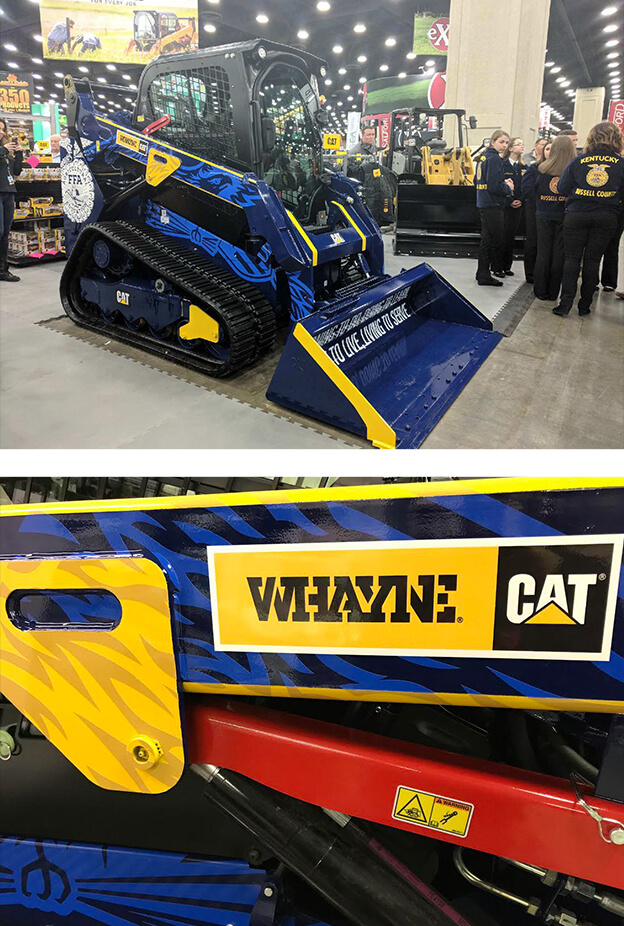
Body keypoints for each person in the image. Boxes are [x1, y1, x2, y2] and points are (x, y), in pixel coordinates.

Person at [554, 121, 624, 317]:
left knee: (572, 259)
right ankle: (584, 306)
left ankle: (565, 303)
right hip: (606, 216)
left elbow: (562, 188)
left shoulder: (578, 161)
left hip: (577, 214)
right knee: (593, 261)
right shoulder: (621, 164)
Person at [523, 135, 576, 301]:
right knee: (559, 253)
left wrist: (539, 203)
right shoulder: (573, 169)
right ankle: (553, 292)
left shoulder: (540, 169)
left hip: (543, 214)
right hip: (564, 215)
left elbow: (528, 190)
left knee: (543, 252)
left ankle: (540, 290)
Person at [475, 130, 515, 286]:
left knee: (486, 240)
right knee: (494, 240)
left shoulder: (482, 158)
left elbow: (476, 181)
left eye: (506, 142)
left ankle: (482, 272)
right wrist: (508, 188)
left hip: (484, 202)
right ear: (492, 142)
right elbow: (494, 186)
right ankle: (485, 274)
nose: (504, 145)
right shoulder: (494, 159)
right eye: (501, 142)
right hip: (493, 204)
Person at [522, 139, 552, 282]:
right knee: (533, 241)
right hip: (534, 209)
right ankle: (531, 274)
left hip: (552, 212)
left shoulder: (561, 169)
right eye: (547, 149)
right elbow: (526, 189)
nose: (549, 152)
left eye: (552, 149)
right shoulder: (534, 168)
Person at [0, 118, 23, 283]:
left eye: (2, 129)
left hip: (8, 191)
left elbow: (17, 171)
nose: (1, 132)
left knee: (5, 232)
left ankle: (3, 269)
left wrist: (19, 153)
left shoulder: (6, 151)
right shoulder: (2, 150)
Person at [500, 137, 526, 275]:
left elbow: (526, 186)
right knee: (502, 235)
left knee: (511, 236)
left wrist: (521, 199)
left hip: (519, 205)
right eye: (519, 144)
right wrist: (510, 200)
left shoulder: (523, 167)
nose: (522, 147)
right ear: (510, 148)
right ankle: (498, 265)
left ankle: (507, 266)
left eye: (523, 144)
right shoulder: (502, 165)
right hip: (505, 204)